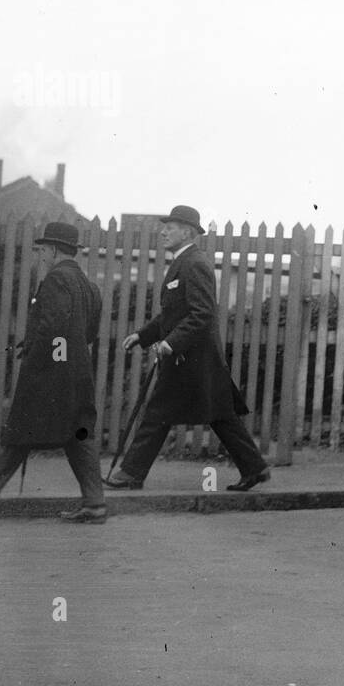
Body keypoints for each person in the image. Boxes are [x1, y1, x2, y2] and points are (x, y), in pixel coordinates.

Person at [106, 205, 271, 491]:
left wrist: (171, 342)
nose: (164, 231)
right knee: (220, 415)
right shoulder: (184, 262)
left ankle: (131, 473)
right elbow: (173, 314)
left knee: (160, 413)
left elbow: (202, 313)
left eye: (171, 226)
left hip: (192, 359)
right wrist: (143, 336)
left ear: (188, 231)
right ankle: (255, 468)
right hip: (194, 359)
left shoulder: (194, 263)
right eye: (165, 226)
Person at [0, 222, 106, 523]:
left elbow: (54, 327)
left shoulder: (56, 279)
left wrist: (41, 355)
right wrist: (59, 352)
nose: (40, 256)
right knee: (79, 435)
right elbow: (88, 333)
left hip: (50, 374)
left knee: (21, 431)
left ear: (54, 250)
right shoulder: (89, 286)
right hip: (79, 372)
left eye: (42, 250)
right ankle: (94, 504)